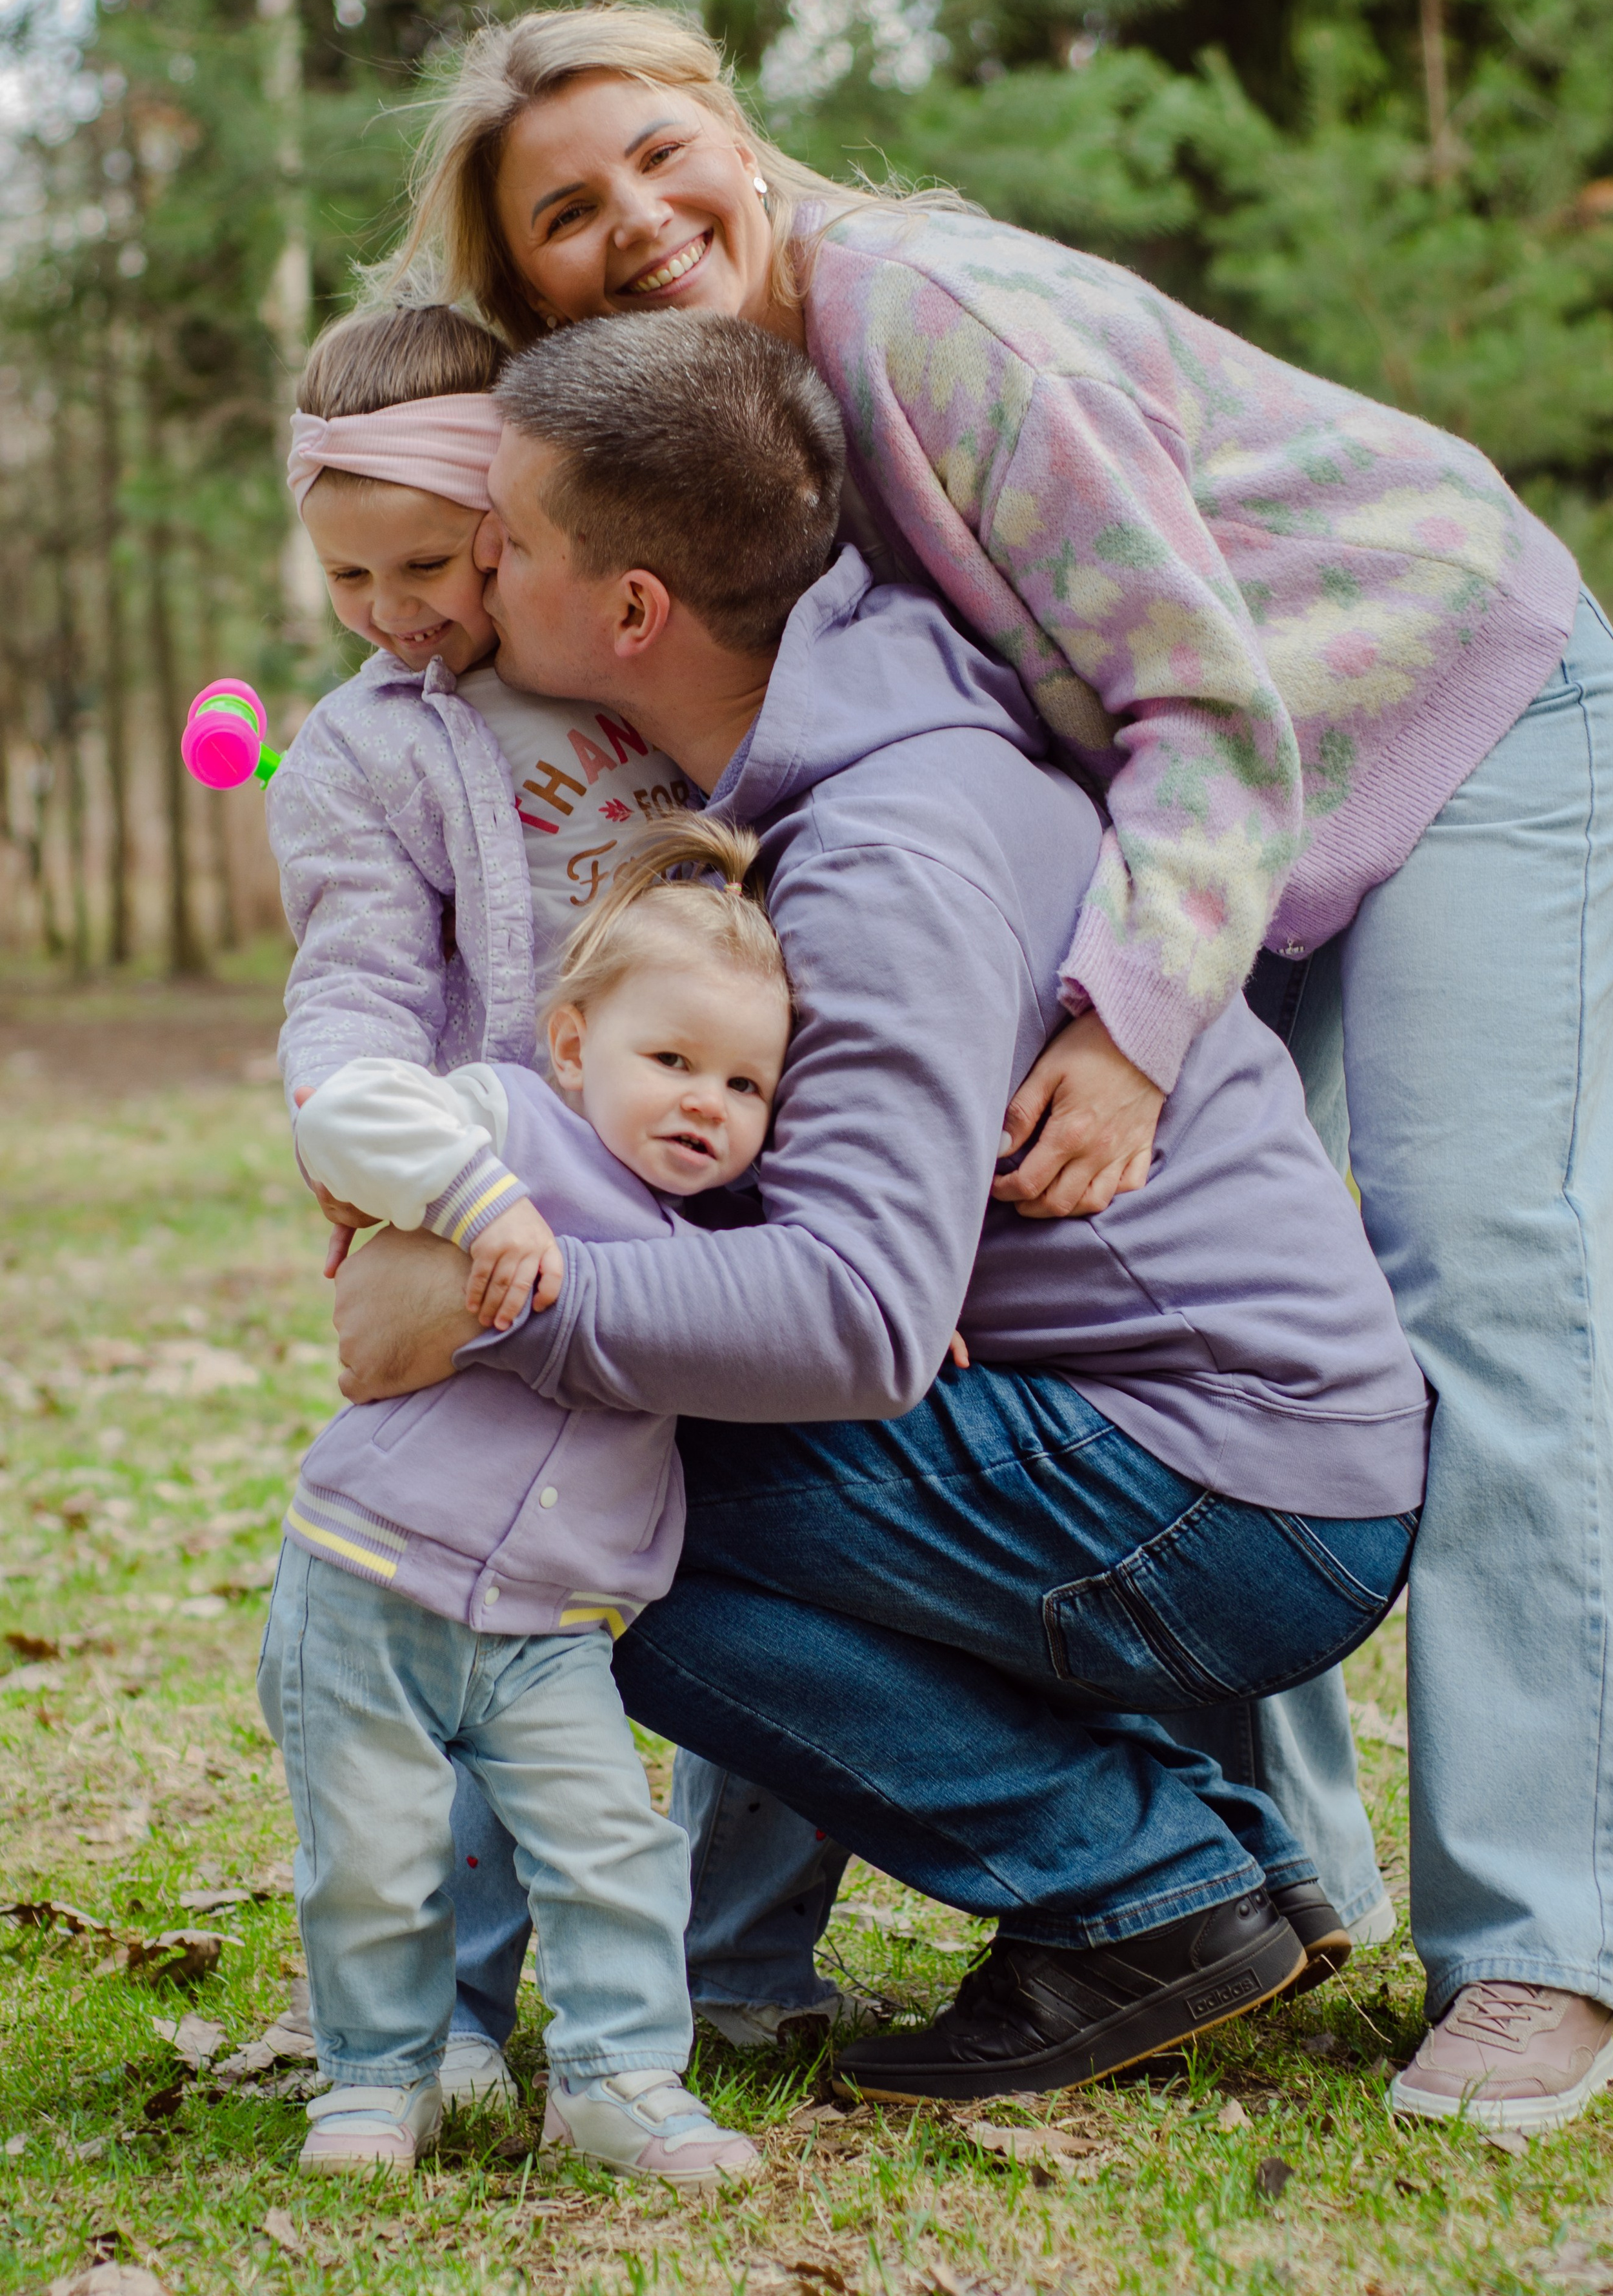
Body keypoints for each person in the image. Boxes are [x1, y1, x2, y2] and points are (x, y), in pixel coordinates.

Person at [374, 1, 1613, 2126]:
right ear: (533, 288)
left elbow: (1205, 702)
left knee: (1475, 1277)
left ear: (740, 139)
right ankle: (1267, 1875)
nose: (638, 219)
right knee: (1159, 1299)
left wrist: (1137, 1023)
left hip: (1434, 698)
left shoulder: (927, 324)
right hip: (1189, 808)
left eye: (661, 152)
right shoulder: (698, 443)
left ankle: (1538, 1946)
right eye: (567, 212)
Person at [330, 309, 1436, 2104]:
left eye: (508, 537)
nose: (474, 568)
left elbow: (855, 1315)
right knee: (643, 1502)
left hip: (1231, 1492)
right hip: (1204, 1451)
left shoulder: (877, 857)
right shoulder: (868, 742)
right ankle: (1204, 1855)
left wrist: (499, 1304)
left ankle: (1140, 1886)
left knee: (593, 1501)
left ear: (632, 610)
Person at [272, 298, 692, 2107]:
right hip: (502, 1213)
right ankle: (445, 2011)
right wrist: (384, 1150)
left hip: (701, 1194)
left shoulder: (642, 664)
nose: (389, 610)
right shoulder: (360, 750)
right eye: (346, 576)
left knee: (701, 1566)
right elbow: (355, 985)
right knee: (477, 1592)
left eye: (425, 564)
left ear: (509, 522)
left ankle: (736, 1964)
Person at [266, 814, 790, 2183]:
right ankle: (377, 2078)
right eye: (670, 1061)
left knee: (613, 1846)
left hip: (553, 1625)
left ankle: (620, 2079)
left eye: (743, 1083)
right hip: (371, 1580)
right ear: (572, 1045)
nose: (705, 1102)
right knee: (377, 1855)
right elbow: (345, 1111)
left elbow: (823, 1316)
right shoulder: (507, 1119)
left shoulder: (718, 1245)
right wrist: (478, 1202)